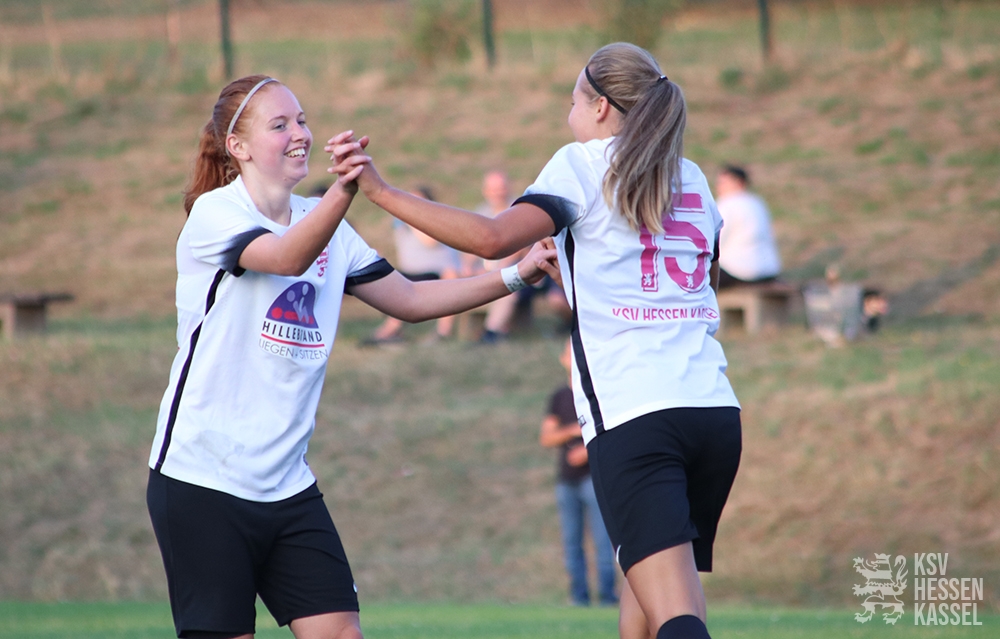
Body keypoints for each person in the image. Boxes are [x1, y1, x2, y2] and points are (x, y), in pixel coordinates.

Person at [336, 42, 742, 639]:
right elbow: (697, 287)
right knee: (644, 611)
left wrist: (381, 192)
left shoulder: (582, 163)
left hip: (637, 416)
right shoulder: (692, 177)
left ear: (600, 107)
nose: (568, 111)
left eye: (573, 99)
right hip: (713, 413)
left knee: (678, 620)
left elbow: (491, 238)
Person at [146, 75, 557, 639]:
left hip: (286, 483)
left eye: (302, 120)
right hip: (202, 481)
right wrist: (345, 191)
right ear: (237, 147)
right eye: (280, 125)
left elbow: (409, 300)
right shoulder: (216, 214)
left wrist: (514, 276)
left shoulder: (327, 225)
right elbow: (286, 258)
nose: (300, 134)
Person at [541, 339, 617, 607]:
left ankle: (607, 596)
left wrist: (587, 450)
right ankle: (579, 597)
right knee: (572, 543)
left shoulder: (597, 392)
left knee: (603, 541)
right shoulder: (559, 397)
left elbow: (612, 430)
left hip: (594, 480)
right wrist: (572, 431)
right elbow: (546, 437)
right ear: (562, 359)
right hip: (566, 481)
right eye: (568, 353)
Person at [363, 185, 459, 345]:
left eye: (417, 200)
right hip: (411, 272)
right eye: (409, 200)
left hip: (437, 272)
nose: (412, 204)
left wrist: (412, 218)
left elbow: (430, 242)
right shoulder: (401, 224)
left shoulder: (435, 222)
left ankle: (442, 333)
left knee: (447, 277)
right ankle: (389, 332)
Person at [713, 165, 782, 289]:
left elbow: (715, 240)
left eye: (723, 182)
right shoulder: (758, 202)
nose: (718, 186)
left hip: (737, 271)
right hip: (769, 270)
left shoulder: (726, 203)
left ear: (739, 183)